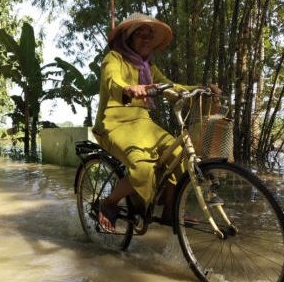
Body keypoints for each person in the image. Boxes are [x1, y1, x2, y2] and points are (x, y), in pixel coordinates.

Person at [92, 13, 220, 233]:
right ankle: (109, 203)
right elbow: (112, 79)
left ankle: (170, 210)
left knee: (180, 154)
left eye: (149, 35)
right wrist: (127, 88)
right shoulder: (113, 58)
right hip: (113, 122)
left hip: (143, 122)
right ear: (128, 38)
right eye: (139, 34)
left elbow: (172, 87)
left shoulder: (148, 68)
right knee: (143, 167)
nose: (145, 38)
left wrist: (202, 89)